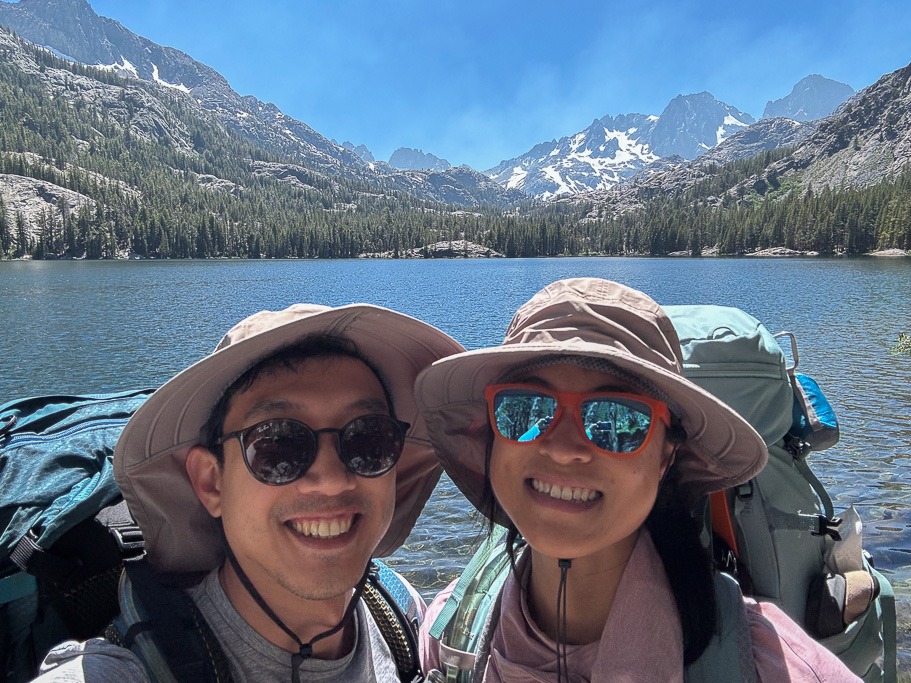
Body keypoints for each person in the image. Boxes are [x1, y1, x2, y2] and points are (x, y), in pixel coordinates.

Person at [414, 278, 861, 682]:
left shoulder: (770, 668)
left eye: (617, 419)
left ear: (668, 456)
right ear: (492, 434)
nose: (563, 448)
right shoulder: (451, 633)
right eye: (525, 410)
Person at [35, 302, 464, 682]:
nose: (332, 480)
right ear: (211, 482)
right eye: (278, 445)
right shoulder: (130, 669)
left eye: (368, 440)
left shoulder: (401, 612)